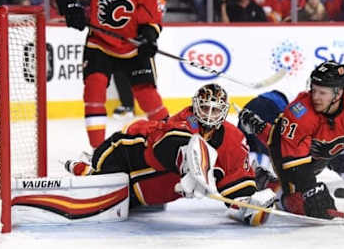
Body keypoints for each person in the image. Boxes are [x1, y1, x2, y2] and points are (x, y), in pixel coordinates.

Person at [65, 83, 277, 226]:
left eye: (214, 110)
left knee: (116, 199)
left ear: (223, 111)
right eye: (204, 108)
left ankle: (90, 173)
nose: (209, 115)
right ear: (195, 106)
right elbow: (162, 146)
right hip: (129, 151)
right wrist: (188, 165)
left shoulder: (233, 139)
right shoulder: (185, 120)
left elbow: (236, 182)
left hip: (146, 194)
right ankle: (87, 165)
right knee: (99, 173)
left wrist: (248, 204)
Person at [239, 61, 344, 224]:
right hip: (290, 152)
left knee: (319, 172)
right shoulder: (301, 111)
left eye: (323, 93)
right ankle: (265, 179)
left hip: (316, 153)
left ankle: (260, 130)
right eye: (314, 90)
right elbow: (291, 157)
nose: (315, 97)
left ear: (339, 93)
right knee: (299, 205)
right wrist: (310, 189)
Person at [55, 0, 169, 148]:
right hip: (100, 44)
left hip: (131, 48)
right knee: (94, 90)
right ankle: (98, 151)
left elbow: (153, 20)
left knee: (148, 98)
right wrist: (71, 8)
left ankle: (170, 141)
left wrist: (148, 38)